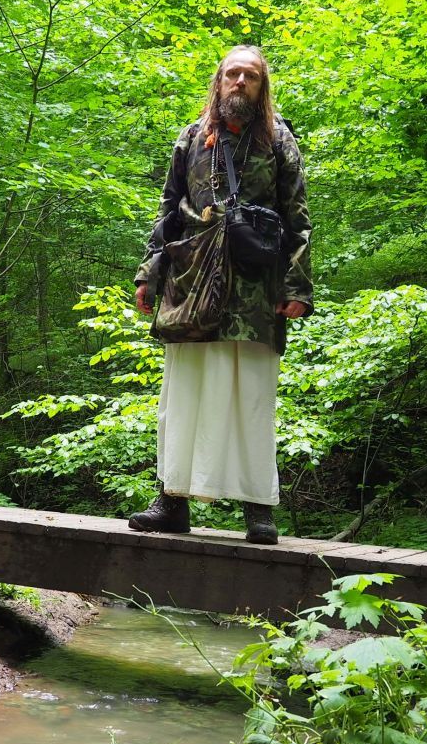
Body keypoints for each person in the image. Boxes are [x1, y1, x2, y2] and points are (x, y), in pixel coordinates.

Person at [129, 45, 313, 544]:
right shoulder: (191, 140)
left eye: (250, 76)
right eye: (232, 74)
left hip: (255, 292)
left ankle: (259, 509)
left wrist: (297, 286)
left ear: (262, 86)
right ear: (218, 81)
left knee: (251, 396)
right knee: (183, 394)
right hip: (191, 283)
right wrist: (150, 273)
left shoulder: (279, 142)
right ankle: (172, 502)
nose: (240, 82)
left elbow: (297, 220)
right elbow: (169, 207)